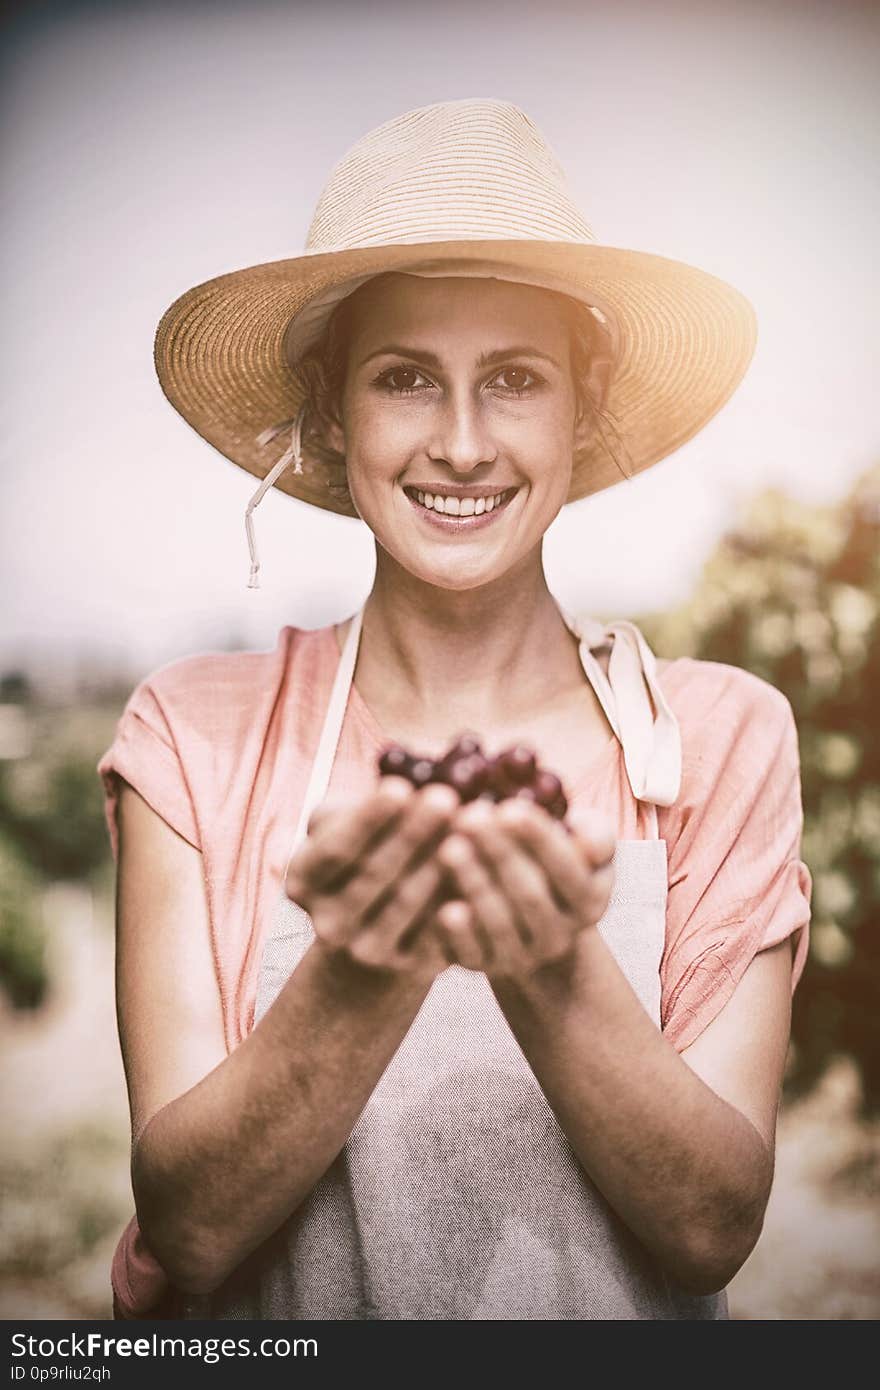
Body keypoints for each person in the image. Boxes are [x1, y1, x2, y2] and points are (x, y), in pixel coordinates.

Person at [98, 98, 812, 1321]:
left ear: (582, 411)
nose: (465, 443)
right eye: (407, 378)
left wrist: (546, 964)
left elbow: (710, 1227)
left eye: (516, 380)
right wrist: (366, 972)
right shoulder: (192, 735)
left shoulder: (719, 737)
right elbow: (193, 1229)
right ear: (333, 412)